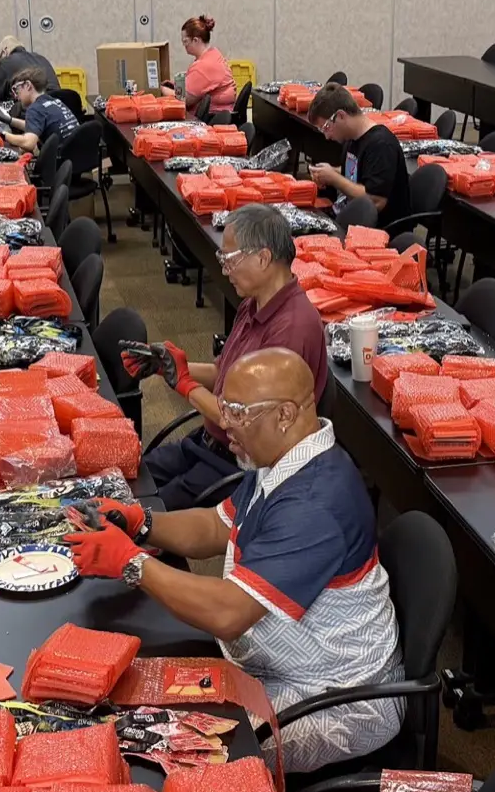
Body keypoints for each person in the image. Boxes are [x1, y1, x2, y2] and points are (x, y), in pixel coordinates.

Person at [64, 348, 402, 773]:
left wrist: (131, 563)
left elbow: (229, 614)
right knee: (138, 705)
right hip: (274, 664)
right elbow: (215, 525)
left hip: (335, 696)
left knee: (176, 752)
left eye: (238, 412)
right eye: (225, 407)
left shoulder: (315, 505)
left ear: (284, 414)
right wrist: (141, 523)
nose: (225, 423)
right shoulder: (282, 460)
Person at [127, 204, 329, 508]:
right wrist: (167, 366)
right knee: (129, 479)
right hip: (207, 444)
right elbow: (223, 374)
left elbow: (243, 421)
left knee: (146, 512)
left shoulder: (292, 330)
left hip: (240, 467)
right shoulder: (253, 303)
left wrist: (185, 384)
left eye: (229, 260)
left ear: (263, 258)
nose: (224, 270)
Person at [306, 82, 410, 226]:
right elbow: (357, 172)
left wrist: (334, 179)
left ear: (340, 116)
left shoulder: (381, 145)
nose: (327, 136)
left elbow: (375, 201)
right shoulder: (351, 139)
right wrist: (328, 173)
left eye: (326, 127)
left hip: (380, 228)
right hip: (351, 214)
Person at [160, 15, 236, 120]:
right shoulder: (213, 53)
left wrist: (160, 89)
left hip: (210, 118)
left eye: (185, 41)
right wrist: (173, 85)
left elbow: (184, 100)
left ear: (196, 40)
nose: (184, 46)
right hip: (220, 112)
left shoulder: (205, 66)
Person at [1, 69, 76, 155]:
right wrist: (9, 120)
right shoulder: (54, 101)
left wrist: (2, 133)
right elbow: (35, 126)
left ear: (28, 85)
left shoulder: (35, 109)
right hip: (76, 155)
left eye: (16, 90)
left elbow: (28, 143)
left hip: (61, 158)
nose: (16, 96)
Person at [0, 36, 57, 103]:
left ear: (4, 51)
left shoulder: (5, 62)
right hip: (59, 102)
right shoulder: (41, 58)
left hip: (38, 106)